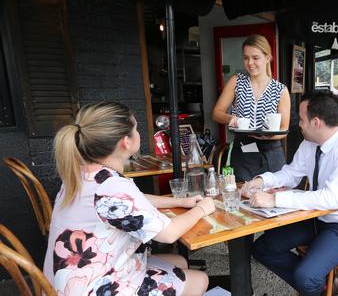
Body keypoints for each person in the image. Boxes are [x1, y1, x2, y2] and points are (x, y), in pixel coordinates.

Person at [44, 102, 215, 295]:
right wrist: (203, 208)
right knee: (200, 279)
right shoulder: (112, 186)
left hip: (70, 278)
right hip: (93, 286)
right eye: (136, 129)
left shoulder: (81, 174)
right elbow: (169, 234)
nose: (139, 133)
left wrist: (180, 202)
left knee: (181, 261)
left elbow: (132, 201)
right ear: (126, 141)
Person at [243, 90, 338, 296]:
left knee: (306, 276)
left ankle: (312, 281)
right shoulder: (309, 143)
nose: (299, 124)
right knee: (263, 248)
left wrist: (275, 199)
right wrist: (261, 180)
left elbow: (332, 199)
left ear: (317, 122)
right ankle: (321, 286)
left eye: (302, 119)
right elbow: (292, 174)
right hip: (316, 217)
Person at [212, 34, 290, 181]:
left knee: (271, 198)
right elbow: (216, 113)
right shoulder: (237, 81)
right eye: (246, 57)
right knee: (241, 197)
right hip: (243, 151)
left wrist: (267, 135)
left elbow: (284, 130)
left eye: (255, 58)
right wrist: (231, 118)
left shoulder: (280, 90)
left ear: (267, 58)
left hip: (271, 154)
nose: (250, 63)